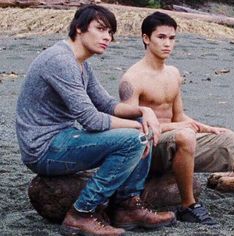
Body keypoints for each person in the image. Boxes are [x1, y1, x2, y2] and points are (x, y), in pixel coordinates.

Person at [16, 5, 177, 236]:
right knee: (135, 137)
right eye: (100, 29)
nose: (107, 37)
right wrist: (139, 126)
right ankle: (81, 213)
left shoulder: (82, 64)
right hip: (43, 149)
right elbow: (92, 120)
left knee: (142, 129)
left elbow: (107, 104)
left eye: (110, 32)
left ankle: (127, 206)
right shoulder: (60, 60)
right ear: (79, 28)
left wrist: (143, 112)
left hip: (63, 138)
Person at [119, 11, 234, 226]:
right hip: (151, 148)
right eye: (161, 37)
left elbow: (179, 116)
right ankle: (189, 205)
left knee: (230, 138)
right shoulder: (132, 78)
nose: (168, 44)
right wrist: (180, 126)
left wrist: (205, 127)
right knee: (184, 135)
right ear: (146, 38)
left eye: (172, 38)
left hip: (178, 137)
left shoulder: (173, 73)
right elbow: (131, 131)